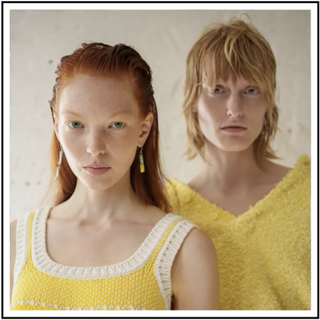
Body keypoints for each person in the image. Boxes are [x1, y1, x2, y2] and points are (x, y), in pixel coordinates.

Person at [10, 42, 219, 310]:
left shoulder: (185, 249)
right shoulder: (14, 242)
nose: (94, 148)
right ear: (57, 127)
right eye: (76, 124)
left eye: (116, 125)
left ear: (143, 130)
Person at [165, 18, 310, 310]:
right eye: (217, 90)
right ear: (193, 99)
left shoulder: (311, 191)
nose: (234, 110)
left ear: (269, 100)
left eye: (251, 90)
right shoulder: (167, 210)